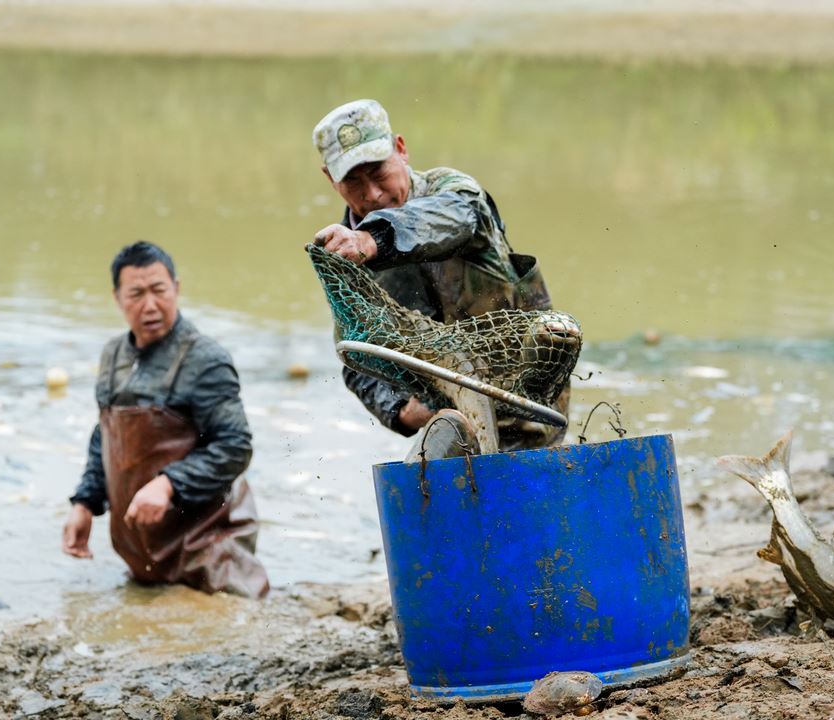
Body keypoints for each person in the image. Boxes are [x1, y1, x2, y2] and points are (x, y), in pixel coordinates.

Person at [311, 99, 568, 451]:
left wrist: (374, 239)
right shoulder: (343, 257)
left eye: (379, 172)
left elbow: (459, 216)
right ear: (330, 178)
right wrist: (402, 410)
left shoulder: (452, 192)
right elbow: (356, 359)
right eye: (353, 181)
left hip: (527, 414)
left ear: (401, 150)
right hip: (451, 426)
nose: (372, 193)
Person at [62, 241, 269, 598]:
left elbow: (235, 446)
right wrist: (85, 503)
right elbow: (107, 437)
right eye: (136, 294)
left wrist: (168, 484)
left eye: (159, 290)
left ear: (176, 288)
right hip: (142, 552)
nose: (150, 305)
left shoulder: (206, 359)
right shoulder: (113, 355)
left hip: (209, 547)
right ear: (117, 298)